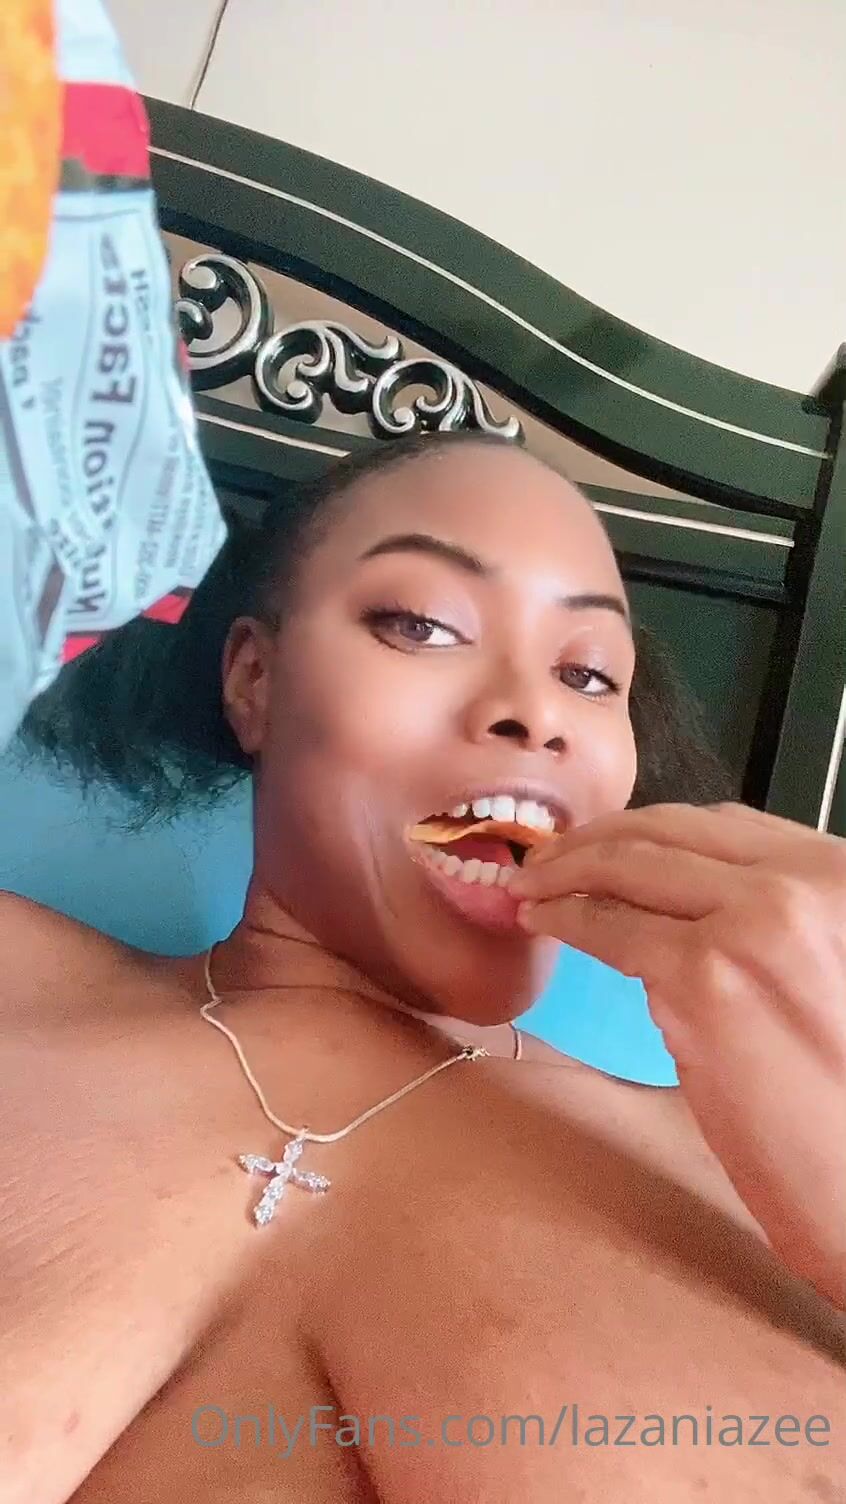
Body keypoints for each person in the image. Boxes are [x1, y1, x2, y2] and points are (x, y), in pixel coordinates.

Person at [2, 431, 844, 1504]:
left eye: (589, 674)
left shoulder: (760, 1176)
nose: (538, 712)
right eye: (423, 624)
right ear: (255, 679)